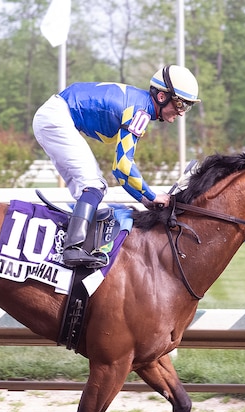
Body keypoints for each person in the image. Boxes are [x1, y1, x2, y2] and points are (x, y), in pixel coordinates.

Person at [33, 64, 201, 268]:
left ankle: (74, 243)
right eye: (181, 104)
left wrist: (144, 199)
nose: (182, 113)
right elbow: (122, 166)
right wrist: (152, 195)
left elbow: (120, 172)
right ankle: (72, 249)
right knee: (93, 186)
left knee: (93, 188)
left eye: (187, 107)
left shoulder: (140, 105)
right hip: (57, 117)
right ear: (161, 97)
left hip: (55, 114)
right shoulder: (140, 113)